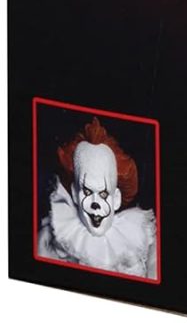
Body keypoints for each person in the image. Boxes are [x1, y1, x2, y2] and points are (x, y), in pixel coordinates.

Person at [37, 115, 157, 279]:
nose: (95, 204)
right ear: (74, 193)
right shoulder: (50, 238)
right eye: (87, 192)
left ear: (116, 199)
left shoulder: (144, 240)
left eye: (103, 194)